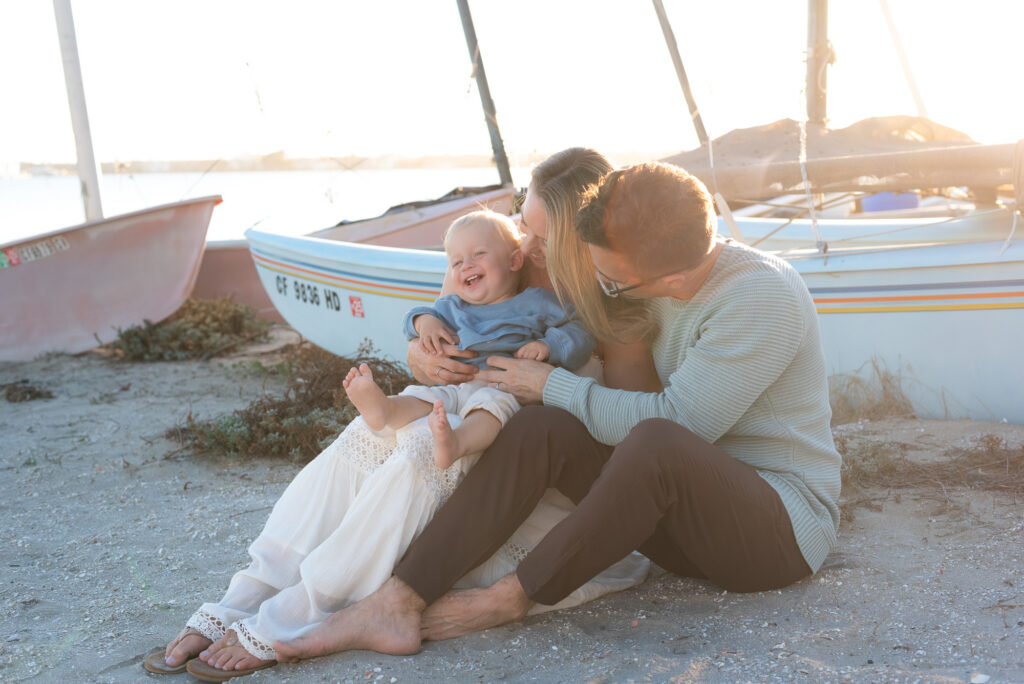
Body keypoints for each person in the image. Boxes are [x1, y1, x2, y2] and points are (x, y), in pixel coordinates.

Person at [271, 161, 842, 661]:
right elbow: (486, 297)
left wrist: (550, 383)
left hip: (774, 535)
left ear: (670, 278)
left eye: (613, 283)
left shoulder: (759, 298)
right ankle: (399, 599)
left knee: (654, 438)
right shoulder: (645, 251)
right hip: (681, 527)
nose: (601, 286)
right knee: (544, 428)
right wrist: (429, 342)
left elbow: (682, 424)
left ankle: (509, 597)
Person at [142, 148, 656, 681]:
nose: (526, 246)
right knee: (371, 434)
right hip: (471, 430)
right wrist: (423, 356)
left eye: (543, 238)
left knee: (422, 449)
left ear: (582, 238)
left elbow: (634, 440)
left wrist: (552, 385)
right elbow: (434, 323)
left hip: (532, 485)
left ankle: (301, 611)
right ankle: (250, 592)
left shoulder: (608, 306)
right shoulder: (504, 263)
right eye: (523, 225)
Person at [344, 209, 595, 470]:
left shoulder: (535, 303)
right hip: (459, 385)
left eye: (479, 254)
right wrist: (424, 323)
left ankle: (457, 443)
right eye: (456, 262)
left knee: (490, 409)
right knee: (427, 397)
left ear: (514, 261)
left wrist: (547, 346)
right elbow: (415, 316)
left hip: (506, 389)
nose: (467, 265)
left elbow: (579, 330)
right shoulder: (454, 307)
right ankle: (386, 410)